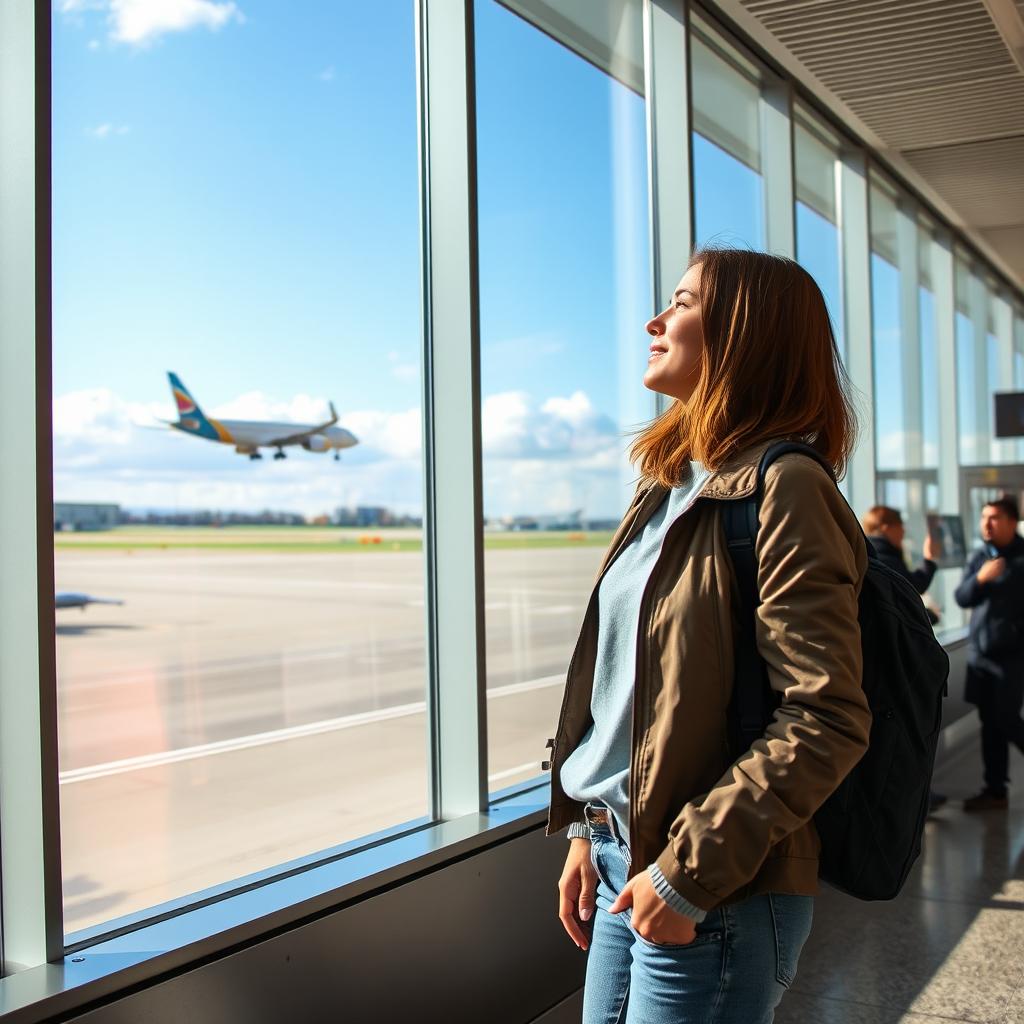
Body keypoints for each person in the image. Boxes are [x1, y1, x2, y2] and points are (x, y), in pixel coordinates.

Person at [547, 248, 871, 1023]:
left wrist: (686, 874)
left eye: (683, 303)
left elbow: (826, 717)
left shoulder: (785, 487)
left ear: (743, 334)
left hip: (715, 884)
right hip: (630, 857)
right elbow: (633, 693)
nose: (656, 322)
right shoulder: (665, 487)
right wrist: (591, 830)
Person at [862, 505, 947, 813]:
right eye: (899, 526)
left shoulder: (873, 553)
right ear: (886, 527)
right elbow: (905, 595)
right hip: (892, 666)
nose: (903, 533)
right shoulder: (884, 557)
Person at [954, 496, 1024, 811]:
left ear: (1011, 522)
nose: (987, 524)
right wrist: (981, 578)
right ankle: (995, 790)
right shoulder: (981, 556)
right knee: (990, 724)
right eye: (984, 517)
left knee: (1007, 720)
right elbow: (962, 597)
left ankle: (996, 788)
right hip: (979, 656)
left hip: (1011, 658)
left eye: (994, 517)